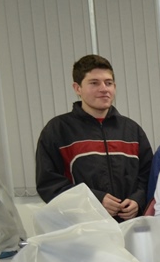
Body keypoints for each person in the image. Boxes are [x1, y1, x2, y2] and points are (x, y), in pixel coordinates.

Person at [36, 54, 152, 220]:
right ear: (77, 88)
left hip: (129, 226)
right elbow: (49, 184)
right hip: (82, 228)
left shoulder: (132, 130)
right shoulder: (58, 130)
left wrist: (138, 200)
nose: (104, 89)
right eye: (94, 83)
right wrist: (94, 200)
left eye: (108, 83)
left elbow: (148, 175)